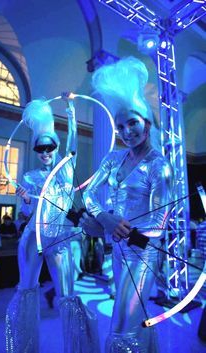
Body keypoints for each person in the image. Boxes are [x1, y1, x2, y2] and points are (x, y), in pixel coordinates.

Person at [82, 57, 173, 352]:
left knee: (120, 328)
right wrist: (106, 219)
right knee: (136, 320)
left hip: (142, 255)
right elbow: (89, 196)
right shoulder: (112, 159)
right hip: (118, 253)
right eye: (120, 126)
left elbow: (160, 222)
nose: (126, 131)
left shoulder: (160, 166)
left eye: (132, 122)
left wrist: (110, 229)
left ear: (145, 121)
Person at [6, 95, 99, 353]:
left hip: (59, 242)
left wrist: (70, 110)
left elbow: (73, 144)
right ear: (36, 152)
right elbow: (27, 212)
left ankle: (78, 349)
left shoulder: (66, 171)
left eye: (49, 147)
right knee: (26, 291)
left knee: (68, 297)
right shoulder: (30, 176)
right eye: (40, 149)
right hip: (32, 238)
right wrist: (25, 201)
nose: (45, 152)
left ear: (55, 147)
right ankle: (24, 348)